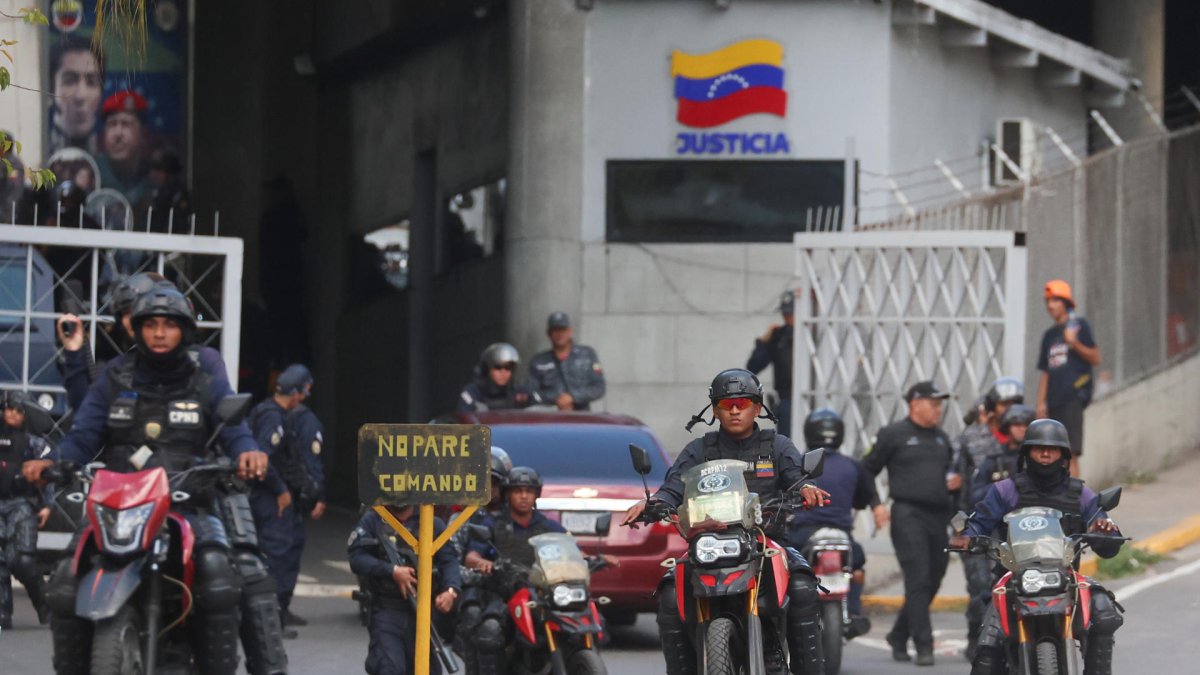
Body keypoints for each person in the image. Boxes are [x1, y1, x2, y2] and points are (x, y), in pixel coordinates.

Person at [22, 287, 269, 674]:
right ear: (136, 330)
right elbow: (83, 436)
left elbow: (233, 428)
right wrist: (52, 462)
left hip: (187, 502)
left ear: (183, 331)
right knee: (67, 577)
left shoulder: (205, 376)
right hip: (120, 504)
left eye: (169, 325)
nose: (158, 333)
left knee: (219, 572)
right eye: (150, 325)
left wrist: (246, 452)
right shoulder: (113, 377)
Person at [621, 368, 830, 675]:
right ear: (715, 410)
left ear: (757, 408)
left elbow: (797, 480)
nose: (734, 410)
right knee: (668, 590)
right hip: (709, 542)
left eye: (743, 403)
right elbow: (673, 488)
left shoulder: (777, 446)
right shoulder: (699, 450)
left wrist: (807, 489)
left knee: (801, 582)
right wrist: (653, 504)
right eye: (726, 404)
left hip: (765, 541)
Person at [960, 418, 1124, 675]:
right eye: (1039, 448)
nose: (1045, 453)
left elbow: (1104, 530)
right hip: (1012, 577)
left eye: (1052, 448)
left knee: (1103, 611)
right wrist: (967, 538)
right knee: (987, 644)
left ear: (1063, 454)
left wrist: (1104, 530)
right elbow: (977, 524)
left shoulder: (1079, 494)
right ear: (1027, 452)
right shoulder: (1005, 491)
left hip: (1067, 578)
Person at [863, 380, 960, 666]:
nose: (938, 410)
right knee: (917, 577)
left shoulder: (942, 439)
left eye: (940, 405)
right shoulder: (894, 434)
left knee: (933, 579)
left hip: (939, 517)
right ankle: (923, 644)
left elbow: (951, 484)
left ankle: (898, 633)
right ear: (915, 403)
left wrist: (958, 517)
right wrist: (876, 505)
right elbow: (866, 470)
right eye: (933, 404)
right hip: (908, 515)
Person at [787, 408, 886, 638]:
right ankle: (851, 613)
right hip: (841, 535)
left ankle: (788, 611)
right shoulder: (852, 466)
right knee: (857, 568)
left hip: (803, 533)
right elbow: (863, 499)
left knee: (787, 567)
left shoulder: (798, 465)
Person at [348, 503, 462, 675]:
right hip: (387, 608)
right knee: (389, 666)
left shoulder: (431, 522)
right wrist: (392, 571)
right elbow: (357, 558)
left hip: (423, 610)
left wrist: (450, 591)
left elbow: (449, 561)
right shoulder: (374, 519)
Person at [960, 401, 1034, 660]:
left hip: (1030, 533)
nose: (1021, 430)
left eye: (1026, 425)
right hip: (994, 533)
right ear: (1007, 427)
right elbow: (976, 494)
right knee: (984, 588)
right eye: (1016, 424)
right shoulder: (994, 460)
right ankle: (978, 639)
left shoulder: (1038, 461)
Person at [247, 364, 312, 631]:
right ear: (296, 393)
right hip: (269, 497)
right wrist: (281, 490)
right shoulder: (273, 417)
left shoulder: (272, 413)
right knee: (276, 557)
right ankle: (268, 623)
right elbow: (263, 460)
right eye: (305, 391)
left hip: (270, 495)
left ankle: (274, 615)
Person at [56, 271, 171, 409]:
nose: (130, 321)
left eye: (138, 310)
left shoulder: (197, 365)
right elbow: (85, 411)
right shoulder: (117, 370)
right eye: (126, 313)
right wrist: (74, 352)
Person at [1036, 280, 1100, 477]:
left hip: (1072, 397)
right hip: (1053, 401)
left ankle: (1073, 501)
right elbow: (1046, 371)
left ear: (1065, 303)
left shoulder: (1079, 326)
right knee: (1052, 453)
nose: (1050, 305)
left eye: (1055, 300)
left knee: (1069, 452)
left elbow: (1096, 358)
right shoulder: (1049, 335)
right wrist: (1040, 403)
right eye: (1048, 301)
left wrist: (1075, 344)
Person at [0, 391, 52, 629]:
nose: (11, 413)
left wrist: (46, 506)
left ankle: (44, 604)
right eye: (8, 408)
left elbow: (47, 476)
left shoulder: (35, 444)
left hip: (23, 502)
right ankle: (3, 612)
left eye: (17, 410)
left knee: (22, 560)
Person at [277, 398, 328, 626]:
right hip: (289, 497)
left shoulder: (274, 415)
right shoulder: (306, 421)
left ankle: (277, 609)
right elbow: (311, 460)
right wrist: (318, 495)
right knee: (287, 552)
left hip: (278, 495)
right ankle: (279, 610)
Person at [528, 312, 606, 411]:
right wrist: (556, 399)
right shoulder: (539, 361)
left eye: (563, 330)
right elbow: (531, 394)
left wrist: (572, 397)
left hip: (582, 418)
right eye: (555, 330)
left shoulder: (587, 355)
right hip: (549, 418)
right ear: (549, 333)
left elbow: (599, 388)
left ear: (570, 331)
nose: (560, 334)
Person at [746, 290, 796, 436]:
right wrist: (763, 342)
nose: (787, 318)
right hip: (787, 400)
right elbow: (753, 366)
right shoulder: (779, 335)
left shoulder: (817, 333)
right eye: (785, 314)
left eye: (791, 313)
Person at [94, 90, 153, 206]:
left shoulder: (154, 178)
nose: (118, 133)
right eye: (112, 124)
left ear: (143, 133)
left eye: (126, 124)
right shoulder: (92, 175)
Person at [48, 36, 103, 156]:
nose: (80, 95)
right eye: (69, 81)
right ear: (51, 89)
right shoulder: (34, 152)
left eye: (92, 82)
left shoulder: (112, 158)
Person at [458, 343, 541, 412]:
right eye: (498, 367)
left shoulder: (521, 392)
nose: (503, 372)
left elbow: (541, 410)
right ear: (487, 370)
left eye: (508, 368)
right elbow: (464, 421)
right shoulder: (473, 392)